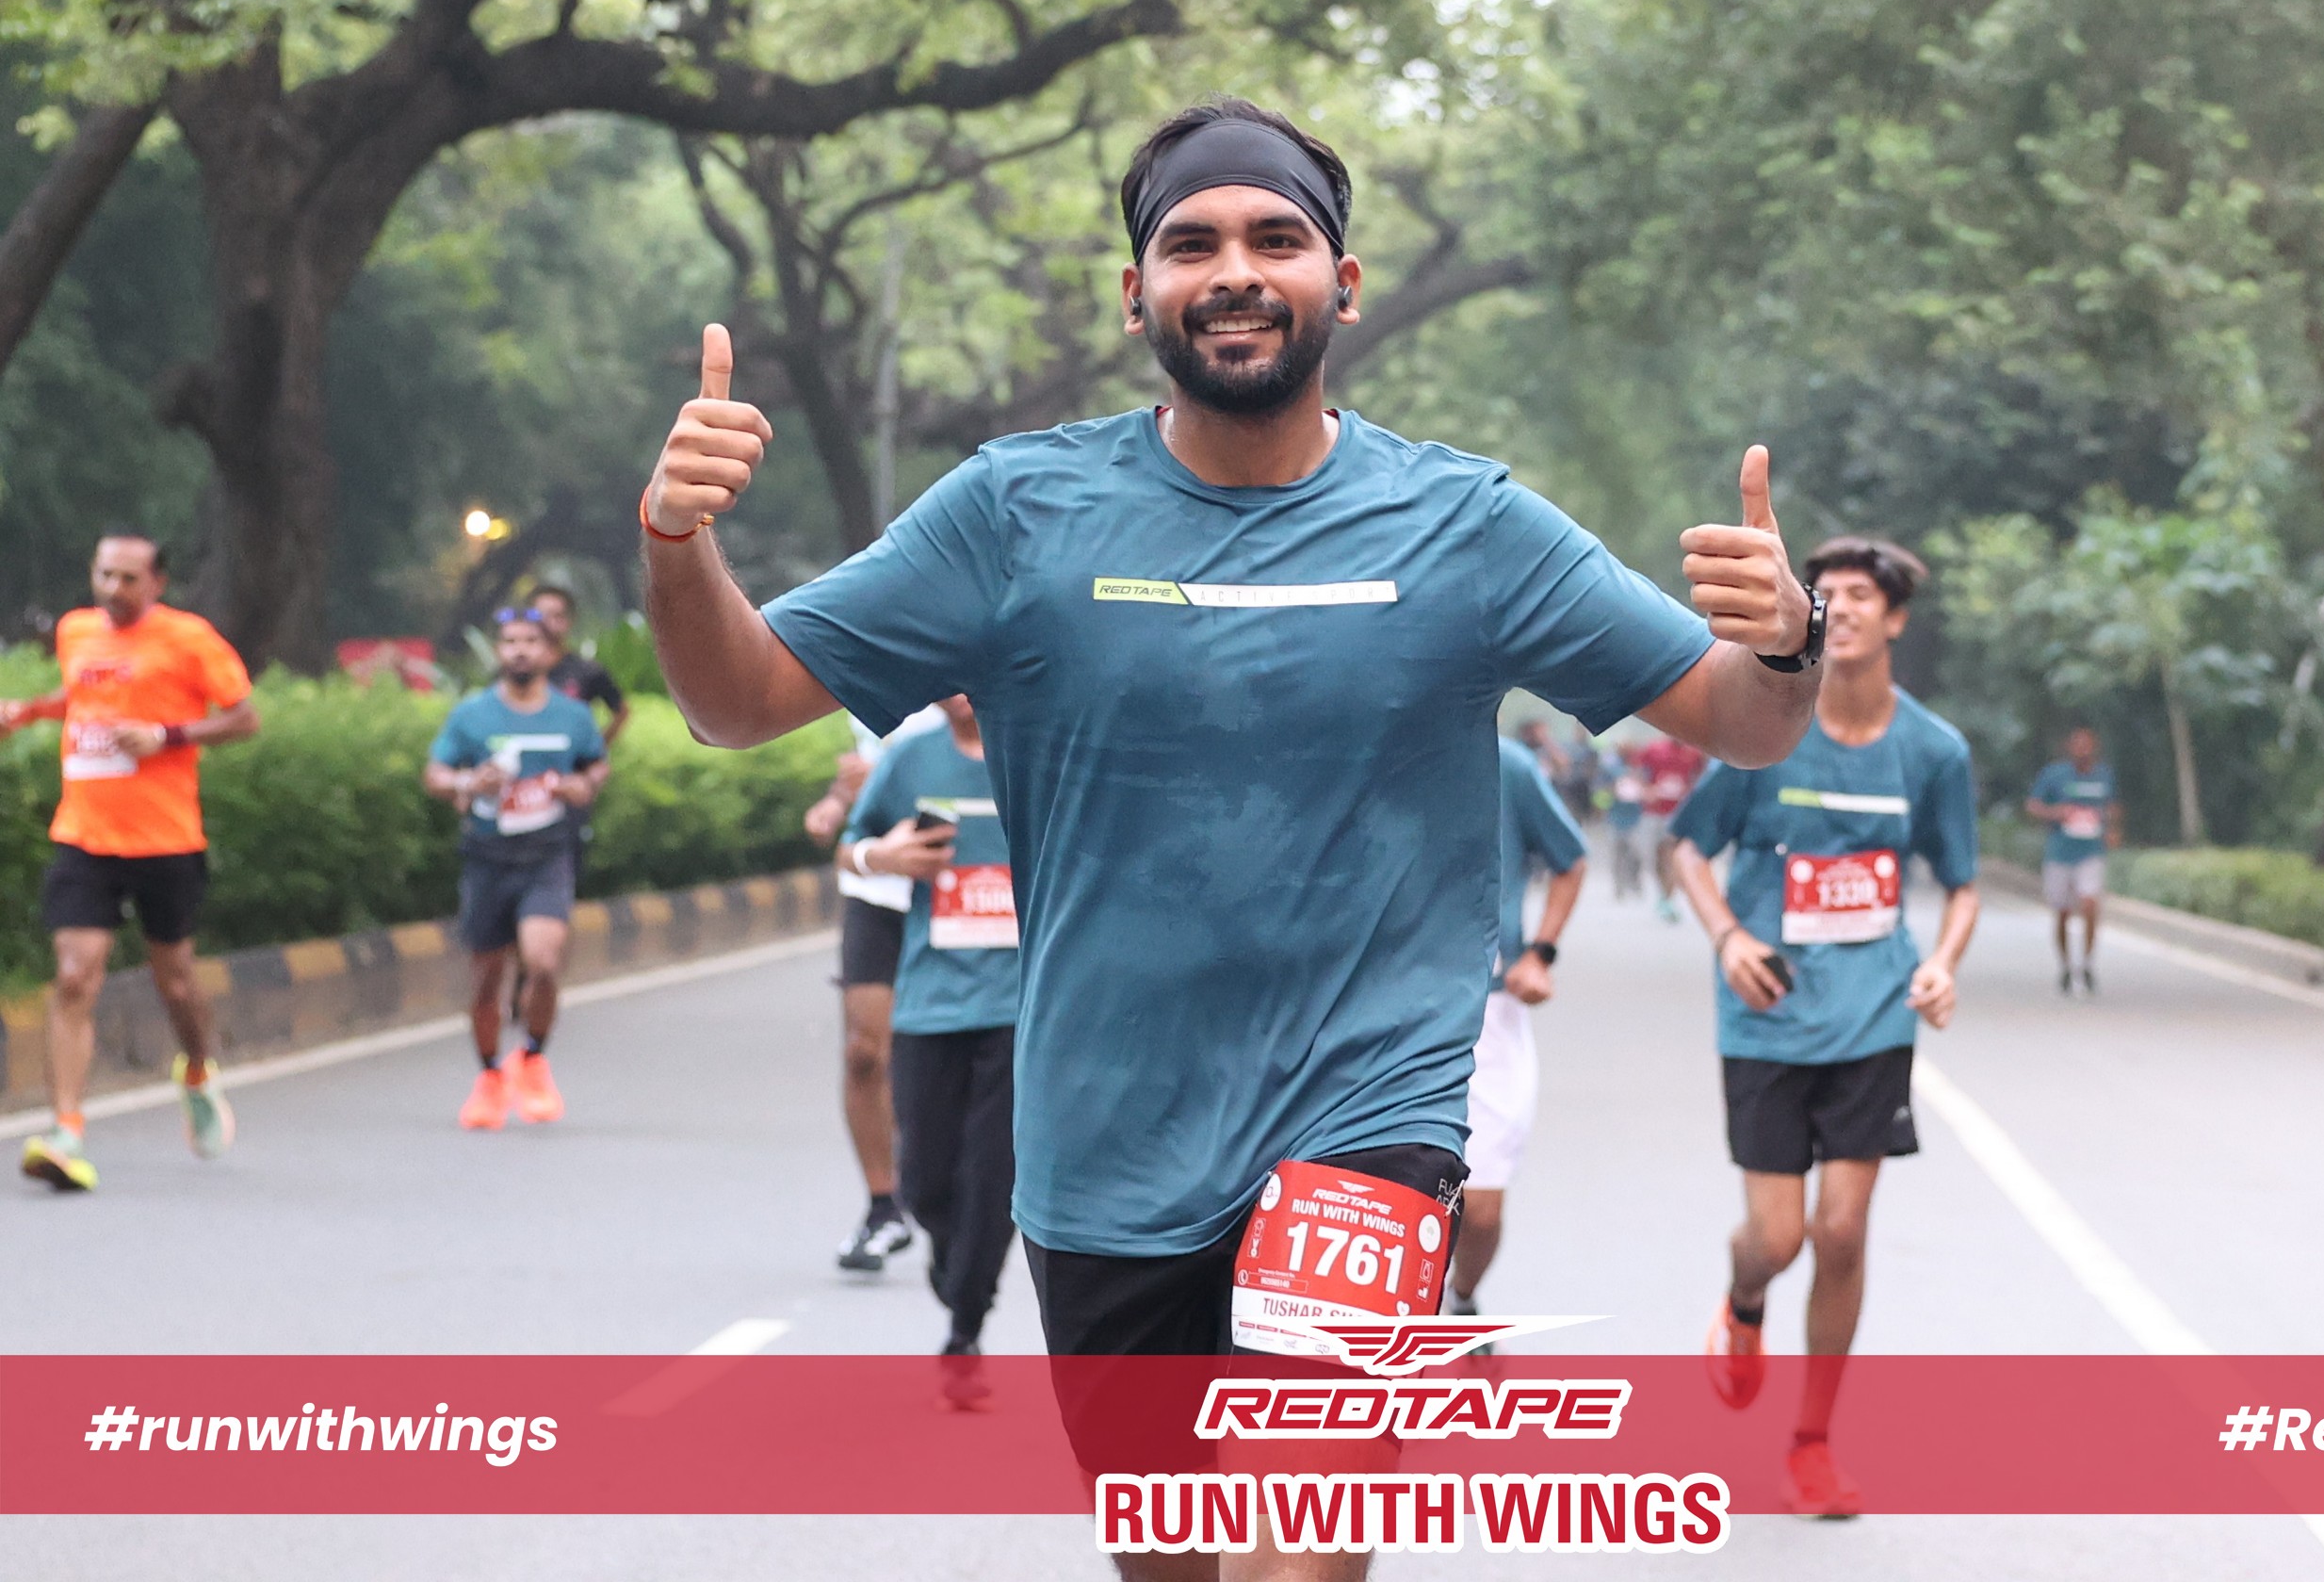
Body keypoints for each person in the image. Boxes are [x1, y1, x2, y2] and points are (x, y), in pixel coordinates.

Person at [638, 96, 1823, 1580]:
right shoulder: (1015, 514)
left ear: (1345, 281)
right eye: (1191, 244)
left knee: (1298, 1542)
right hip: (1108, 1140)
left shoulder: (1466, 526)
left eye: (1277, 237)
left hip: (1369, 1114)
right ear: (1137, 294)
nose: (1237, 270)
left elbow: (1742, 722)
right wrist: (677, 543)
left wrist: (1790, 640)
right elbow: (739, 701)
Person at [1667, 535, 1980, 1521]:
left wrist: (1941, 962)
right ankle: (1743, 1299)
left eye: (1859, 596)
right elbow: (1688, 847)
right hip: (1766, 1018)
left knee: (1841, 1231)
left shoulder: (1933, 751)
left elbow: (1962, 882)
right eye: (1825, 593)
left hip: (1874, 1015)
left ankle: (1811, 1444)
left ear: (1895, 620)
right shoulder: (1766, 728)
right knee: (1778, 1237)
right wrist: (1727, 937)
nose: (1838, 607)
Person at [4, 534, 259, 1192]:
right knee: (73, 977)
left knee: (176, 982)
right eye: (104, 575)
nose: (113, 589)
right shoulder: (76, 631)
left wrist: (166, 736)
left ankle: (197, 1072)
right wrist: (30, 712)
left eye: (128, 579)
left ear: (157, 584)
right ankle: (66, 1133)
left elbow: (243, 719)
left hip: (165, 840)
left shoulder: (188, 639)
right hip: (84, 835)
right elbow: (83, 698)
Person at [836, 693, 1018, 1408]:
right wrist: (883, 855)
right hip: (931, 1003)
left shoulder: (1038, 749)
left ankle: (965, 1326)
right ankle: (954, 1269)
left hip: (1023, 1006)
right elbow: (852, 844)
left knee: (994, 1175)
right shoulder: (911, 759)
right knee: (924, 1182)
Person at [424, 609, 609, 1130]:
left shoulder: (573, 717)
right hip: (487, 856)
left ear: (549, 653)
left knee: (543, 961)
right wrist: (466, 783)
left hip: (546, 855)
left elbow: (596, 764)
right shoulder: (472, 715)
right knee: (487, 979)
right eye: (509, 641)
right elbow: (435, 773)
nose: (520, 650)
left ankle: (531, 1058)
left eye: (531, 641)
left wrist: (583, 786)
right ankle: (489, 1076)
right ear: (499, 651)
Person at [1448, 733, 1587, 1327]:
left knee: (1479, 1209)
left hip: (1489, 1012)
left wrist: (1540, 954)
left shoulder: (1509, 765)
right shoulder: (1370, 748)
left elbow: (1570, 861)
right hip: (1380, 1007)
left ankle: (1460, 1299)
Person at [805, 701, 950, 1273]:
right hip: (876, 890)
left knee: (952, 1053)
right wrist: (837, 801)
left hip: (955, 889)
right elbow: (868, 770)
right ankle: (883, 1208)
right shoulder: (873, 677)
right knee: (865, 1053)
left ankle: (957, 1195)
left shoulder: (969, 685)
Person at [2026, 726, 2120, 994]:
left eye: (2087, 744)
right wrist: (2056, 813)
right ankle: (2066, 965)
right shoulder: (2054, 774)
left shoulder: (2103, 776)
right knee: (2063, 912)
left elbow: (2112, 806)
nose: (2082, 749)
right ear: (2070, 747)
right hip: (2060, 853)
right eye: (2078, 744)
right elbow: (2033, 805)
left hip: (2091, 852)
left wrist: (2113, 829)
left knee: (2090, 904)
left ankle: (2087, 962)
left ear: (2094, 747)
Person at [527, 585, 632, 748]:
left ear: (569, 620)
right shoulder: (516, 672)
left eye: (557, 615)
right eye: (541, 615)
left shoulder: (587, 671)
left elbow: (622, 712)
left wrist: (593, 750)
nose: (548, 623)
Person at [1632, 730, 1707, 921]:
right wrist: (1646, 789)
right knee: (1653, 858)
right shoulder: (1654, 749)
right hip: (1653, 813)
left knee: (1669, 857)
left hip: (1677, 814)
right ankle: (1663, 893)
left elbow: (1703, 775)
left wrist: (1693, 793)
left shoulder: (1694, 752)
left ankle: (1668, 899)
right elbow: (1636, 770)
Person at [1601, 743, 1649, 900]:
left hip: (1635, 818)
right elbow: (1601, 795)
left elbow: (1647, 790)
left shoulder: (1640, 771)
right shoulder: (1612, 771)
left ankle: (1635, 882)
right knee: (1617, 855)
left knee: (1636, 854)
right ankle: (1619, 887)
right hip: (1615, 818)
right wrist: (1611, 792)